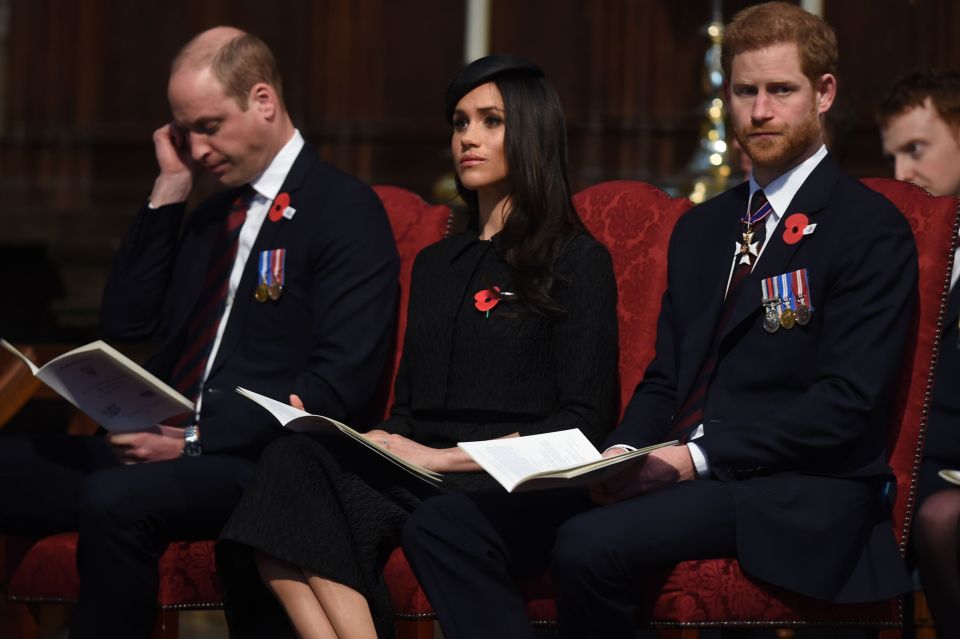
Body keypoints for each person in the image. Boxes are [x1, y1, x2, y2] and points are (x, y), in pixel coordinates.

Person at [402, 4, 917, 638]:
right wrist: (620, 454)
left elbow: (846, 406)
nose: (759, 111)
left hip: (796, 488)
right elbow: (668, 378)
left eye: (781, 90)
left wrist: (690, 459)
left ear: (825, 93)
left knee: (590, 545)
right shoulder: (704, 228)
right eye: (744, 90)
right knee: (446, 524)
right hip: (678, 468)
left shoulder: (867, 228)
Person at [0, 27, 399, 639]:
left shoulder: (343, 209)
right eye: (184, 130)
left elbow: (336, 388)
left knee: (115, 500)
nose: (197, 145)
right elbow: (127, 322)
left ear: (263, 101)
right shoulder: (214, 213)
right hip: (159, 439)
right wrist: (170, 189)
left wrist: (191, 439)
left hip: (257, 460)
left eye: (209, 125)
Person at [215, 55, 619, 638]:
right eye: (459, 123)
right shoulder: (434, 265)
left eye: (490, 121)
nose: (468, 139)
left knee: (340, 499)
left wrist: (442, 458)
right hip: (421, 467)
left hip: (516, 482)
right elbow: (410, 406)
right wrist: (370, 437)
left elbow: (582, 424)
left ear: (532, 132)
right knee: (291, 459)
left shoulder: (579, 260)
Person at [878, 69, 960, 636]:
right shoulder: (895, 244)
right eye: (894, 157)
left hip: (949, 471)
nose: (902, 175)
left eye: (916, 150)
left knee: (938, 519)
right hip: (894, 457)